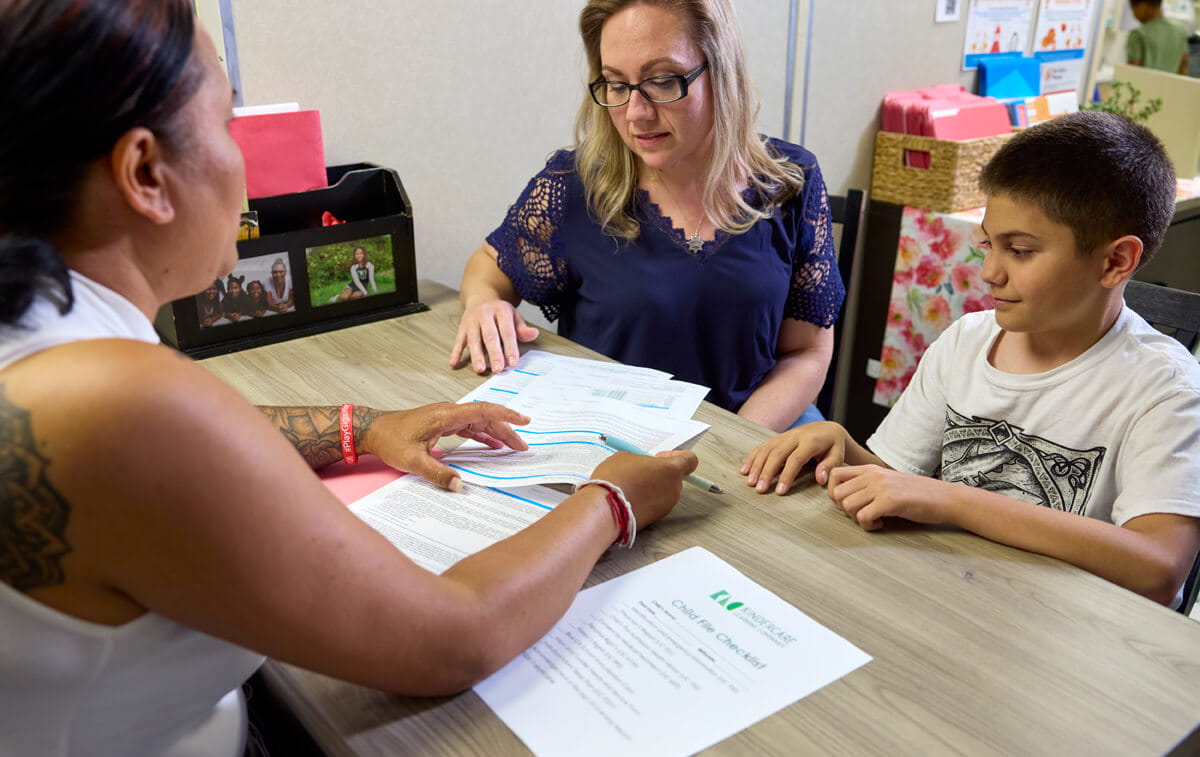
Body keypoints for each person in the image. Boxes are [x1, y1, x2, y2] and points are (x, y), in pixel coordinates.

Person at [0, 3, 697, 757]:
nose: (243, 163)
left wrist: (362, 427)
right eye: (225, 125)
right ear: (146, 175)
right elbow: (456, 637)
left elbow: (193, 446)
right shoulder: (123, 404)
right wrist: (611, 501)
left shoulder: (49, 349)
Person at [742, 112, 1200, 608]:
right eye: (987, 243)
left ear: (1115, 261)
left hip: (1072, 630)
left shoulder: (1166, 390)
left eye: (1019, 250)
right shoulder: (966, 341)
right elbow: (895, 476)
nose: (989, 272)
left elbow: (1158, 568)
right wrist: (842, 446)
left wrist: (953, 500)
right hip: (955, 600)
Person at [449, 0, 844, 432]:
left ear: (721, 71)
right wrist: (484, 302)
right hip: (614, 441)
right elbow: (489, 266)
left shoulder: (790, 181)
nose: (637, 113)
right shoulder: (574, 186)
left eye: (662, 81)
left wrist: (730, 444)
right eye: (616, 84)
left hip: (751, 440)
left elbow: (806, 352)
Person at [1127, 0, 1190, 75]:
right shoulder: (1179, 30)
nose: (1134, 15)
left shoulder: (1138, 34)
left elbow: (1132, 72)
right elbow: (1184, 66)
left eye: (1133, 9)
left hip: (1143, 82)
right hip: (1171, 82)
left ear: (1142, 6)